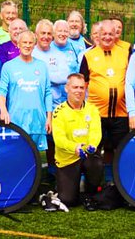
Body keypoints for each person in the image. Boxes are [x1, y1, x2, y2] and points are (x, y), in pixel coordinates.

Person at [78, 20, 132, 160]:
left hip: (121, 113)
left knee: (120, 151)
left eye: (110, 34)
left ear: (116, 35)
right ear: (98, 35)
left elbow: (132, 80)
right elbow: (82, 83)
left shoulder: (125, 52)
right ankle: (94, 181)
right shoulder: (88, 56)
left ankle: (116, 181)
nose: (107, 37)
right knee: (94, 149)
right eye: (104, 34)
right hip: (97, 113)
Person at [51, 73, 103, 208]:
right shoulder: (59, 111)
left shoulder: (92, 109)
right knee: (68, 200)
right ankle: (68, 186)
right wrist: (74, 147)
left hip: (86, 154)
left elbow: (96, 132)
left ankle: (90, 190)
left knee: (96, 162)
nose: (79, 91)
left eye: (81, 88)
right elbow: (59, 139)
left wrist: (92, 145)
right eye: (75, 87)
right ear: (67, 88)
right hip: (68, 158)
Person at [0, 31, 54, 150]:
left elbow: (48, 93)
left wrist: (49, 117)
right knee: (17, 156)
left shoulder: (42, 66)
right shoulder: (8, 66)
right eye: (24, 42)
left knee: (35, 159)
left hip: (37, 121)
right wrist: (3, 111)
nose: (27, 45)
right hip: (16, 121)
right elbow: (2, 91)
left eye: (30, 43)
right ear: (18, 44)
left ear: (34, 45)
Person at [32, 20, 77, 109]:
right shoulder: (31, 53)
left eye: (49, 34)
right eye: (43, 33)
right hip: (36, 104)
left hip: (55, 105)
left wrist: (43, 74)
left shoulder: (59, 54)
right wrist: (53, 74)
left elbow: (65, 77)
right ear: (36, 35)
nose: (46, 36)